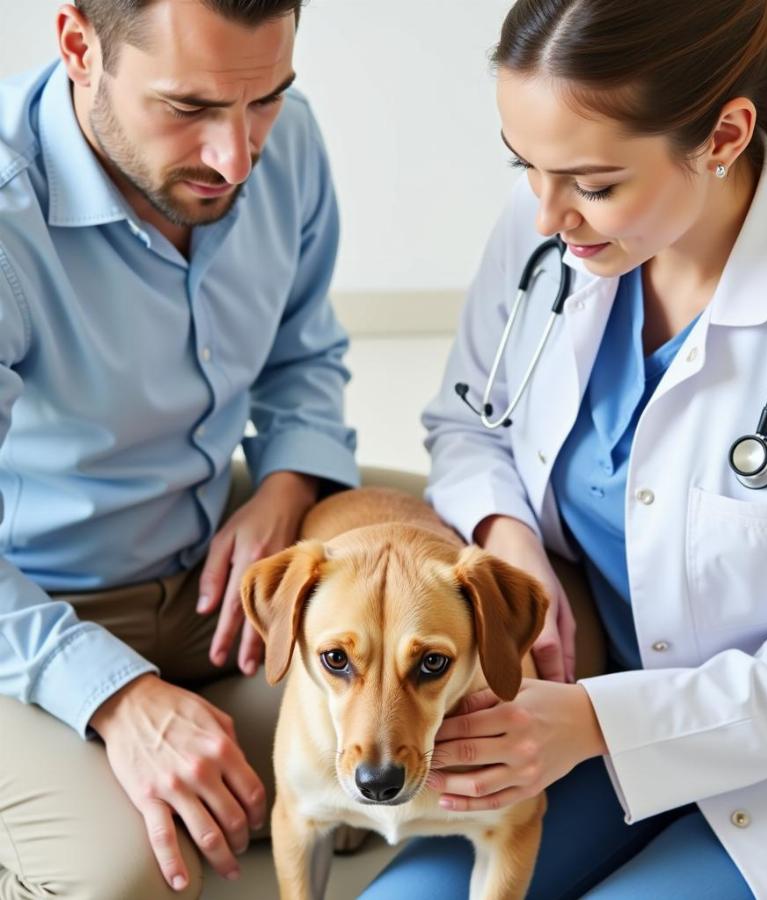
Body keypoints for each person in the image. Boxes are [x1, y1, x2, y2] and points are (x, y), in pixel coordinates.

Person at [362, 0, 767, 898]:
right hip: (582, 716)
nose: (546, 215)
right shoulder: (554, 226)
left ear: (724, 134)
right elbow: (468, 424)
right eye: (523, 165)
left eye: (594, 184)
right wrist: (507, 537)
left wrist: (591, 723)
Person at [0, 1, 358, 897]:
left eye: (265, 98)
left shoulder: (288, 142)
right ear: (80, 46)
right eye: (189, 107)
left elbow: (302, 351)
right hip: (36, 609)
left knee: (476, 605)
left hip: (217, 554)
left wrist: (286, 482)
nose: (236, 158)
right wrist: (116, 696)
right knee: (125, 879)